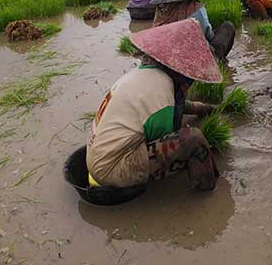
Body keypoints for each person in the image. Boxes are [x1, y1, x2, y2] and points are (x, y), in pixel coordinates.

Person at [86, 19, 223, 190]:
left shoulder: (142, 77)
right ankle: (208, 193)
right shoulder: (163, 91)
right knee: (193, 139)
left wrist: (203, 108)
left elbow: (166, 105)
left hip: (97, 159)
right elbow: (165, 137)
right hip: (113, 169)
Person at [152, 0, 236, 61]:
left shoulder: (160, 8)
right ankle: (218, 60)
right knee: (228, 27)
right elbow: (208, 35)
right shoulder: (196, 7)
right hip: (193, 56)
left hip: (166, 54)